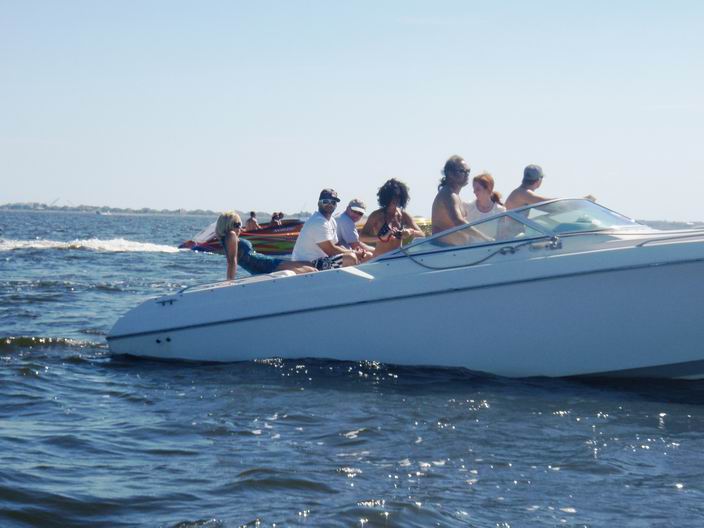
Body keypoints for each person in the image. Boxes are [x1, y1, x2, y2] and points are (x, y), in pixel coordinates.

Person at [216, 211, 316, 280]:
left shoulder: (227, 238)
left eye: (240, 224)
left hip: (263, 264)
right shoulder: (231, 235)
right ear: (227, 225)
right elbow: (232, 261)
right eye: (236, 224)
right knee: (311, 269)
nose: (240, 228)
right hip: (264, 265)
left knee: (309, 265)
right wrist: (230, 282)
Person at [292, 189, 362, 267]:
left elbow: (336, 244)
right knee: (350, 258)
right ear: (318, 203)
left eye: (333, 202)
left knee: (359, 256)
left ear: (336, 205)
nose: (330, 204)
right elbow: (331, 250)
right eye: (326, 201)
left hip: (321, 260)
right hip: (308, 263)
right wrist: (353, 253)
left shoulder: (332, 221)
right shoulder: (318, 221)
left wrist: (353, 251)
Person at [431, 155, 490, 244]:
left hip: (455, 249)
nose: (466, 174)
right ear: (450, 174)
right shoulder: (448, 195)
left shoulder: (454, 195)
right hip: (444, 249)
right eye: (462, 171)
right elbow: (458, 221)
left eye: (468, 171)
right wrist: (485, 238)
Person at [359, 179, 424, 258]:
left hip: (397, 258)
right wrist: (382, 238)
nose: (396, 199)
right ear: (387, 197)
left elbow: (422, 234)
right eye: (393, 196)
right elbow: (362, 237)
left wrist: (409, 232)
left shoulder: (403, 215)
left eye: (398, 196)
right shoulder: (377, 215)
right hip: (380, 259)